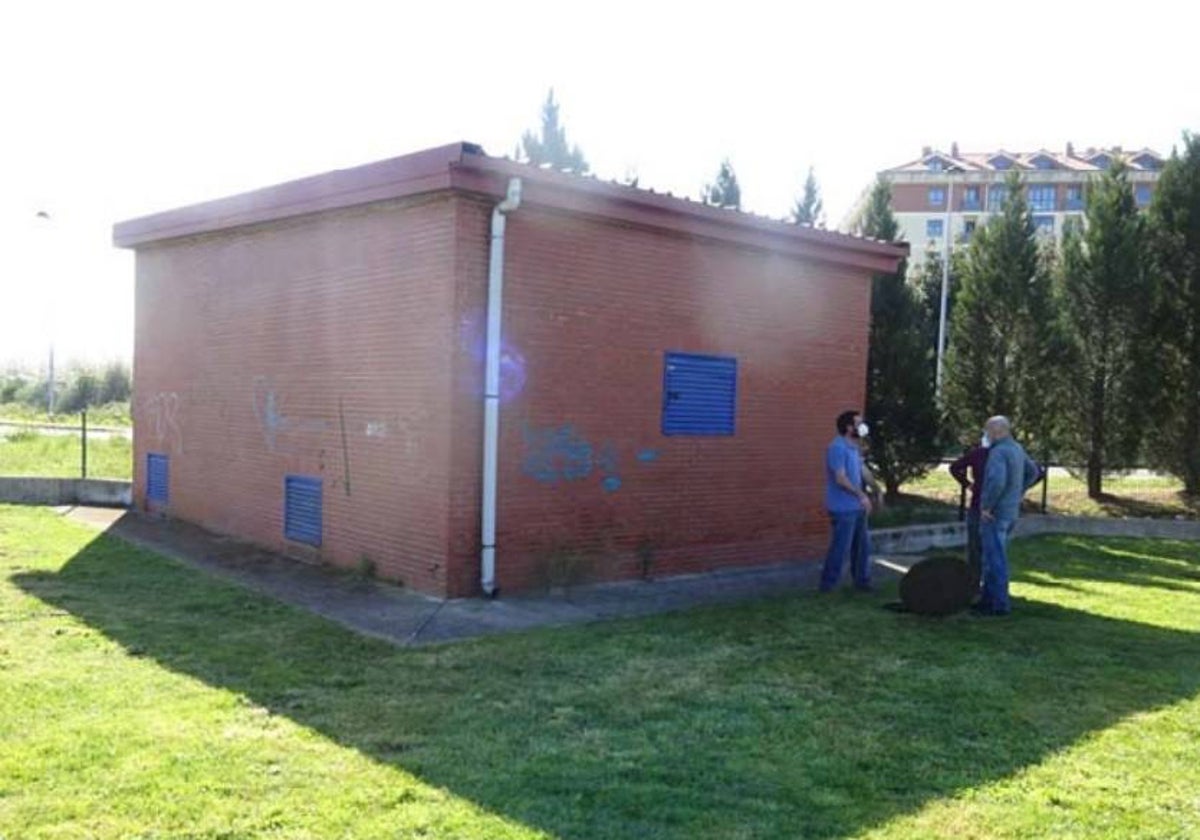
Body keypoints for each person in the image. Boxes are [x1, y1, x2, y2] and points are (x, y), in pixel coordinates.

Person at [975, 416, 1040, 616]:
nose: (986, 435)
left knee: (994, 558)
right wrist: (1018, 491)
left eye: (987, 431)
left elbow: (996, 481)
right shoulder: (1017, 449)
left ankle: (998, 604)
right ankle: (988, 600)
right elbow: (1034, 472)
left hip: (995, 513)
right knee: (994, 555)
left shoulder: (999, 452)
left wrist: (986, 506)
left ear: (997, 431)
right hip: (1011, 511)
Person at [819, 410, 874, 592]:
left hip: (857, 507)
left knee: (862, 548)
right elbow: (840, 478)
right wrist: (861, 495)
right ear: (849, 427)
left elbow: (862, 470)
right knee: (840, 548)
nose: (863, 426)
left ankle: (862, 583)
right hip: (843, 508)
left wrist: (877, 489)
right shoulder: (837, 447)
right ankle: (828, 585)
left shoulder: (854, 447)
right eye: (859, 423)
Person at [949, 431, 991, 601]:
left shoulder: (979, 454)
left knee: (975, 548)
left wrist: (968, 484)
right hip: (986, 506)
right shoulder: (997, 454)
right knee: (986, 548)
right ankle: (982, 584)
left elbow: (954, 467)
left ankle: (975, 583)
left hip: (978, 504)